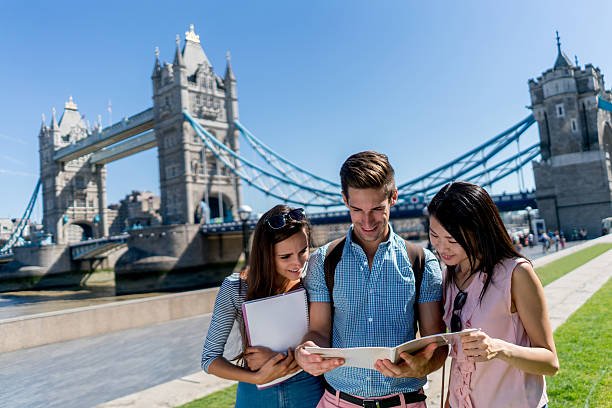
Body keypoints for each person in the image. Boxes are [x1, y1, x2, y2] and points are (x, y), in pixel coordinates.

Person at [296, 151, 446, 408]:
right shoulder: (323, 261)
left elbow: (436, 344)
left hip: (405, 402)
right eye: (357, 209)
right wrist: (306, 351)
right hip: (339, 402)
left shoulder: (422, 262)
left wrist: (425, 364)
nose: (367, 221)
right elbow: (319, 332)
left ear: (393, 197)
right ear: (344, 200)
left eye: (377, 208)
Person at [427, 181, 559, 408]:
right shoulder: (449, 277)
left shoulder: (516, 274)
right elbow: (460, 362)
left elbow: (550, 362)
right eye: (434, 236)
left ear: (478, 230)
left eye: (452, 240)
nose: (441, 248)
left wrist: (499, 349)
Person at [201, 205, 323, 408]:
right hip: (255, 395)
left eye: (303, 251)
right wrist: (256, 378)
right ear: (265, 255)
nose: (298, 263)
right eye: (285, 257)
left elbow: (328, 342)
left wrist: (279, 358)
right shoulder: (235, 288)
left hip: (309, 391)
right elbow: (209, 359)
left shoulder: (314, 281)